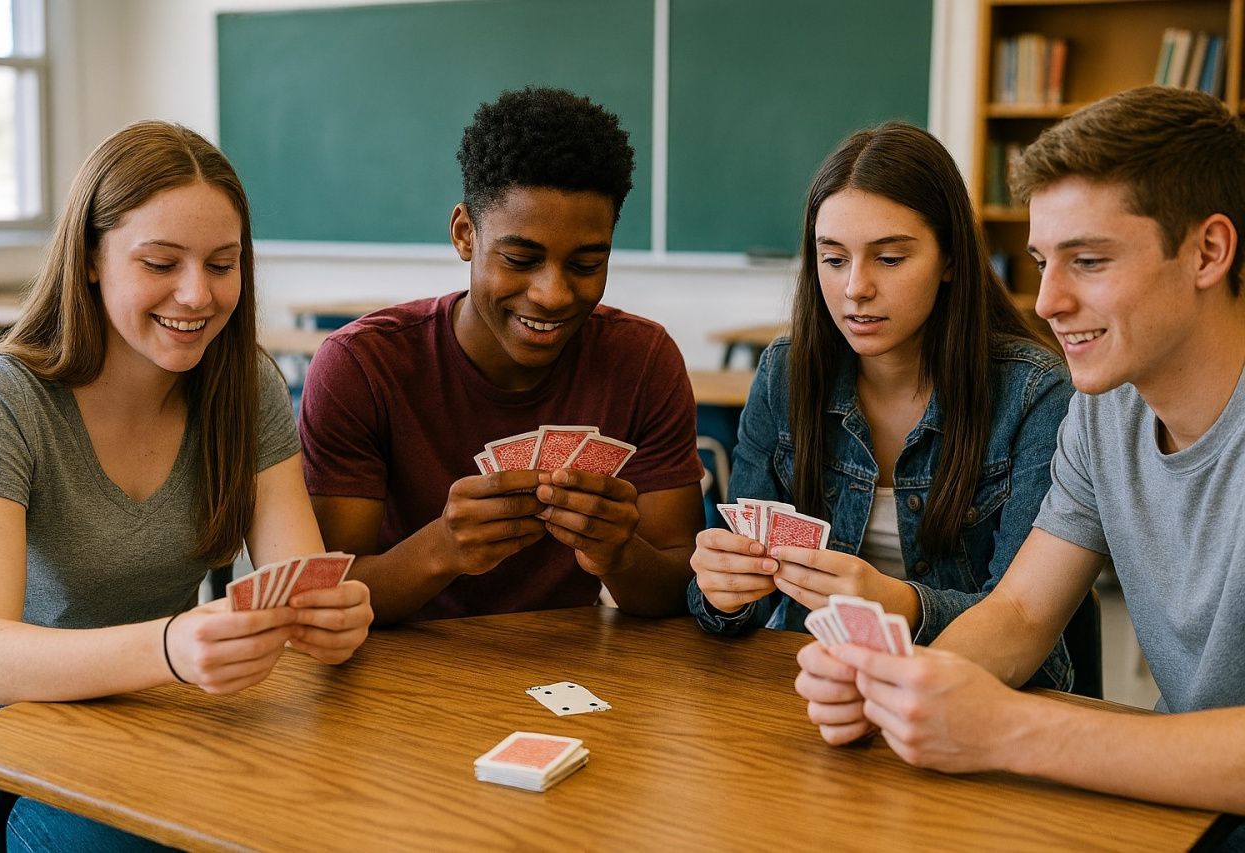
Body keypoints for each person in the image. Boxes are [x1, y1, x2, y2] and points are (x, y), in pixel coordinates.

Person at [795, 86, 1245, 842]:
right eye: (1041, 261)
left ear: (1207, 251)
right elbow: (1023, 611)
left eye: (1089, 261)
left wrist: (1012, 729)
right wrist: (901, 683)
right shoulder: (1106, 409)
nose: (1045, 301)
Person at [0, 121, 374, 852]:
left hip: (154, 713)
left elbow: (295, 580)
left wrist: (330, 619)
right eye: (160, 262)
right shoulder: (0, 398)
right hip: (6, 733)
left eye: (223, 263)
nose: (197, 294)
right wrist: (168, 648)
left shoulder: (245, 384)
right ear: (91, 258)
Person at [689, 122, 1074, 690]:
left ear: (950, 259)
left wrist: (899, 603)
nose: (855, 288)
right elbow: (727, 604)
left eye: (889, 259)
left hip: (977, 697)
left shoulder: (1034, 392)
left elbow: (1022, 624)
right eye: (834, 259)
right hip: (814, 684)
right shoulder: (786, 371)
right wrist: (720, 590)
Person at [300, 86, 705, 624]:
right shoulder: (362, 367)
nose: (553, 294)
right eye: (519, 258)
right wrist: (442, 549)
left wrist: (619, 553)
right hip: (395, 673)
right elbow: (326, 595)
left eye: (587, 264)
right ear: (465, 233)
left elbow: (682, 591)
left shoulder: (643, 362)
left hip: (574, 670)